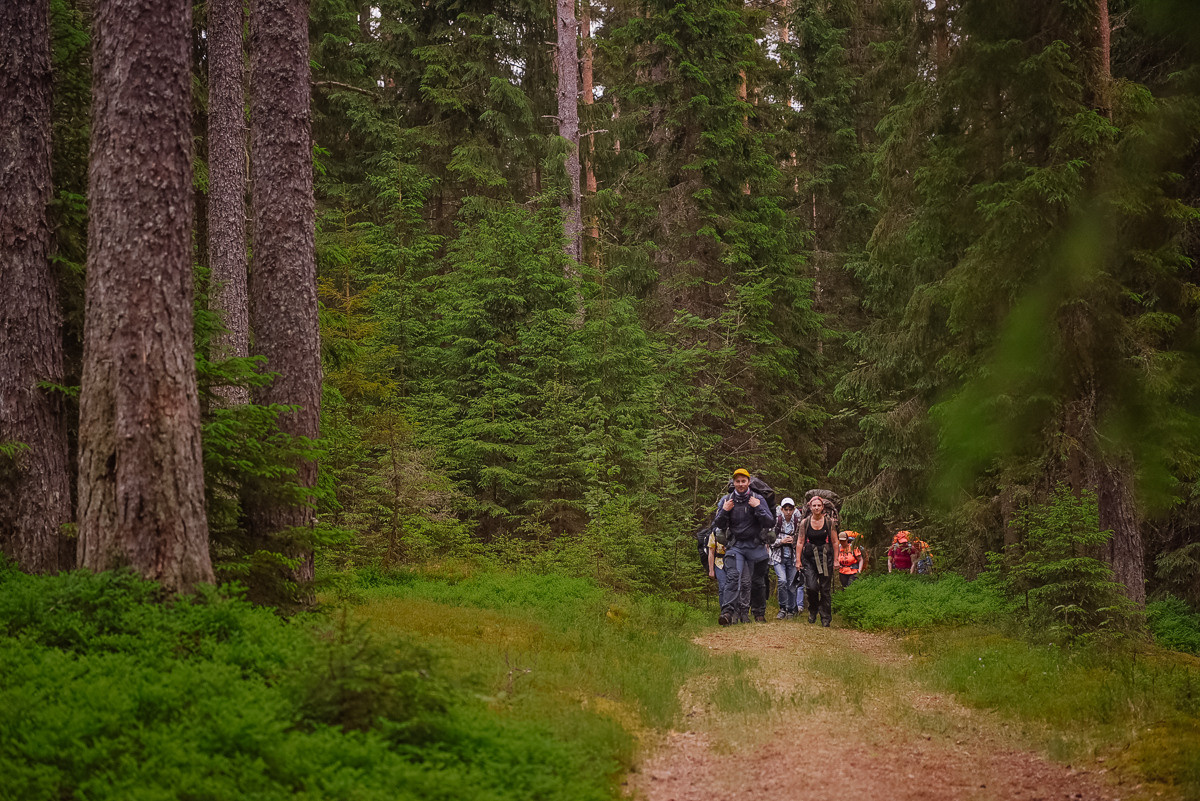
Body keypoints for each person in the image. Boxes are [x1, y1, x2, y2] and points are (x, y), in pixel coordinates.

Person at [713, 468, 775, 625]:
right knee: (733, 577)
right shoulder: (726, 500)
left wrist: (758, 507)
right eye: (737, 481)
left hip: (755, 546)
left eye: (743, 481)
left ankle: (759, 613)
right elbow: (718, 524)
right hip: (736, 545)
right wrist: (725, 511)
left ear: (749, 482)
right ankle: (727, 613)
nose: (740, 484)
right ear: (733, 483)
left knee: (758, 581)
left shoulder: (758, 498)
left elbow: (769, 522)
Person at [796, 495, 836, 626]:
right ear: (810, 507)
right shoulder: (805, 523)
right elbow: (800, 541)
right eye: (814, 505)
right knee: (812, 587)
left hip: (826, 558)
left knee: (825, 589)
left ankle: (825, 618)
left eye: (819, 505)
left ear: (823, 507)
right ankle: (813, 610)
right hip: (809, 559)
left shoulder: (829, 522)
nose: (817, 507)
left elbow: (835, 542)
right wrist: (798, 560)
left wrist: (836, 560)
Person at [769, 498, 802, 618]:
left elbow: (802, 540)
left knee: (792, 584)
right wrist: (781, 541)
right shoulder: (776, 521)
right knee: (782, 581)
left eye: (790, 509)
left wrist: (794, 542)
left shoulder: (798, 522)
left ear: (794, 509)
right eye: (786, 509)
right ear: (782, 509)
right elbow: (770, 541)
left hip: (793, 557)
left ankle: (791, 609)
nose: (788, 512)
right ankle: (782, 608)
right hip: (778, 557)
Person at [707, 526, 727, 604]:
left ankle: (735, 611)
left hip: (733, 562)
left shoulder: (735, 529)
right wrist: (711, 570)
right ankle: (724, 611)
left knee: (734, 586)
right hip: (719, 563)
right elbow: (711, 552)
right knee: (723, 586)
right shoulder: (715, 533)